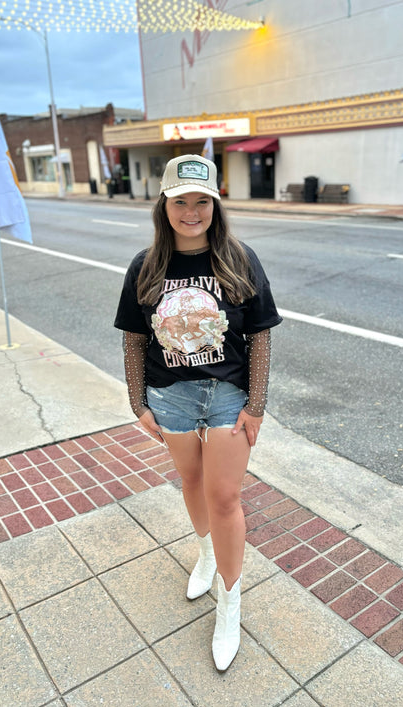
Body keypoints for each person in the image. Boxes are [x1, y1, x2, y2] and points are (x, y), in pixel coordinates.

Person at [114, 154, 282, 671]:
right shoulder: (146, 266)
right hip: (171, 397)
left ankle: (229, 603)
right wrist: (137, 401)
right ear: (164, 205)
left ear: (215, 204)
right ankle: (206, 556)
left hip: (229, 396)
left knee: (224, 496)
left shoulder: (238, 258)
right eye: (180, 201)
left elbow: (259, 335)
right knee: (191, 482)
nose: (191, 211)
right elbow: (135, 338)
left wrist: (256, 405)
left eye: (201, 201)